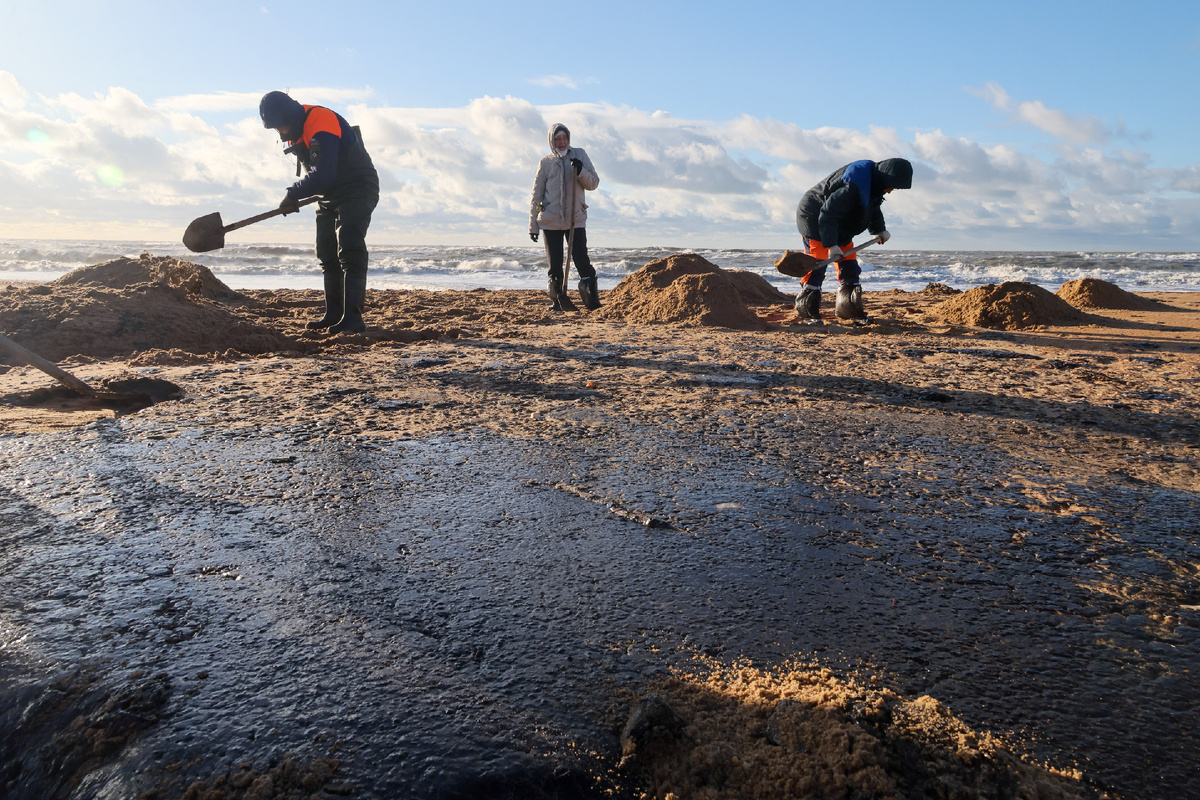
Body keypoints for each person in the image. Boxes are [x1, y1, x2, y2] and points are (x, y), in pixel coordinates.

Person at [259, 91, 380, 334]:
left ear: (290, 116)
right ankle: (334, 314)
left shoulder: (320, 121)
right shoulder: (295, 131)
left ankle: (353, 318)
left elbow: (324, 175)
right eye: (276, 129)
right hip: (328, 195)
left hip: (357, 189)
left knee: (350, 247)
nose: (281, 133)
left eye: (281, 126)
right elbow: (319, 176)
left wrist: (293, 194)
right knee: (326, 253)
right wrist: (298, 194)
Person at [794, 158, 913, 324]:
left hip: (839, 223)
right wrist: (832, 245)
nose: (891, 191)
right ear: (886, 178)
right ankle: (807, 312)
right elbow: (828, 213)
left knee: (849, 265)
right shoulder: (852, 185)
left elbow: (872, 207)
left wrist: (879, 230)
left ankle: (848, 310)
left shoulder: (874, 185)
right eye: (892, 186)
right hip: (814, 216)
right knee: (817, 264)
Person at [529, 123, 601, 311]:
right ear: (551, 141)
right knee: (554, 264)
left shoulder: (580, 155)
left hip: (575, 219)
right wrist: (533, 225)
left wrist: (581, 171)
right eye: (557, 139)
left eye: (564, 138)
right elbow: (537, 195)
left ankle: (592, 301)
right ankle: (557, 301)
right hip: (551, 221)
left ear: (568, 139)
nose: (561, 142)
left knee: (581, 259)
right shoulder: (545, 163)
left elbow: (593, 183)